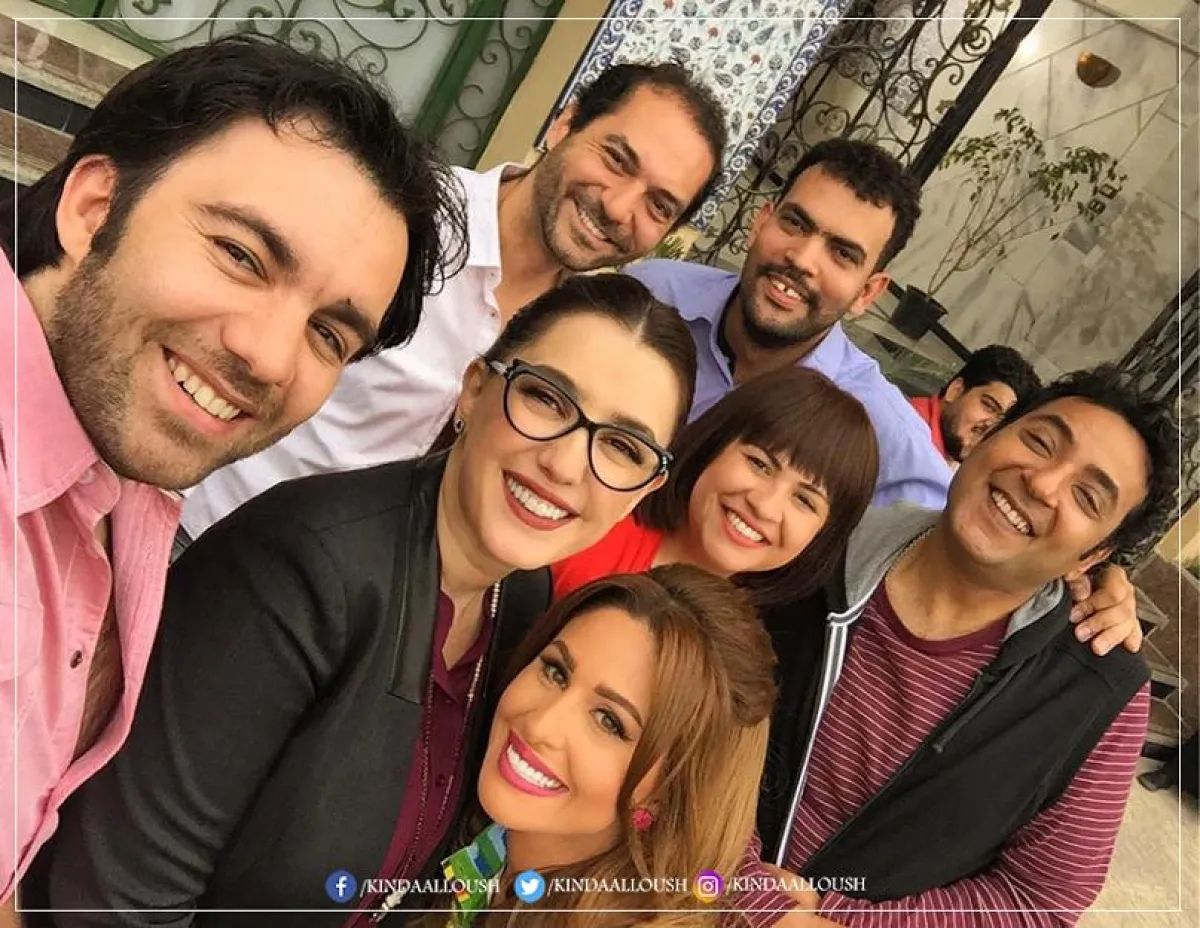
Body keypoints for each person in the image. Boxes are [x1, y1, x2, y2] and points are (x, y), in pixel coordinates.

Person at [30, 275, 698, 927]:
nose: (566, 464)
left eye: (622, 447)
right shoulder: (298, 573)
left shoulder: (523, 600)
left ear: (640, 493)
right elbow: (115, 897)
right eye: (547, 398)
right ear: (474, 391)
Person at [0, 35, 464, 909]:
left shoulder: (129, 498)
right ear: (94, 207)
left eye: (329, 334)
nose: (269, 356)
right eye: (242, 255)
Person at [178, 60, 729, 543]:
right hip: (198, 528)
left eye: (659, 206)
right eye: (616, 159)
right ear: (564, 123)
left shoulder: (576, 331)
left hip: (331, 592)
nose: (619, 206)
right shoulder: (402, 215)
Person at [738, 365, 1179, 927]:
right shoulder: (816, 541)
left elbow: (1037, 899)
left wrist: (836, 920)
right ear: (986, 437)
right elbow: (679, 697)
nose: (1042, 484)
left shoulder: (1096, 694)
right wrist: (738, 889)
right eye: (1040, 442)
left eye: (1087, 497)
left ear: (1093, 557)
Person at [419, 566, 777, 927]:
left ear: (666, 792)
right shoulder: (460, 824)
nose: (541, 725)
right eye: (555, 672)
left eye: (608, 721)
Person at [625, 137, 950, 509]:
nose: (802, 259)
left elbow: (936, 533)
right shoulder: (654, 295)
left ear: (867, 292)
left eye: (842, 254)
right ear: (761, 222)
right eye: (795, 223)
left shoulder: (879, 431)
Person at [552, 367, 878, 609]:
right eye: (759, 464)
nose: (765, 506)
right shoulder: (586, 536)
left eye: (804, 500)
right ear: (712, 445)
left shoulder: (746, 655)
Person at [910, 344, 1042, 464]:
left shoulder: (946, 459)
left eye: (1003, 422)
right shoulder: (911, 437)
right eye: (989, 406)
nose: (991, 426)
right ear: (955, 390)